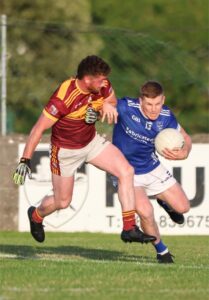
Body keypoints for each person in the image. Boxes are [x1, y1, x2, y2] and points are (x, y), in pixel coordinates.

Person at [13, 55, 156, 245]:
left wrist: (101, 109)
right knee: (62, 202)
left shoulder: (102, 85)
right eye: (100, 78)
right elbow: (38, 128)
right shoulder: (63, 97)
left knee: (126, 171)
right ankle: (36, 216)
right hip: (65, 151)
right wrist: (25, 160)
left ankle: (129, 228)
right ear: (88, 79)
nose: (104, 82)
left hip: (91, 142)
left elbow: (112, 103)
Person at [111, 81, 192, 263]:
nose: (154, 109)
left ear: (163, 100)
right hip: (127, 173)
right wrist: (103, 107)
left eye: (157, 104)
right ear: (141, 101)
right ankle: (162, 251)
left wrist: (184, 151)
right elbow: (104, 103)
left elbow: (186, 138)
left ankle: (164, 202)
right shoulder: (125, 107)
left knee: (183, 208)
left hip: (152, 167)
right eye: (149, 104)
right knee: (146, 212)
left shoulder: (166, 117)